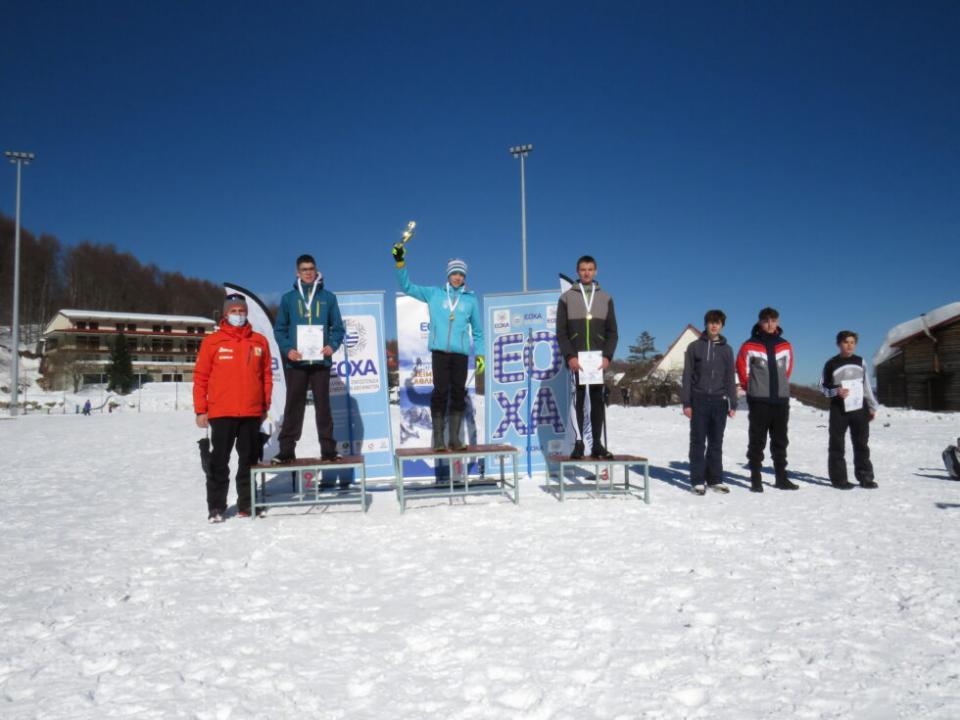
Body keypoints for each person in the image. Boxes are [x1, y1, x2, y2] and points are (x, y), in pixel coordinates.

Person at [392, 242, 484, 451]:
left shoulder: (470, 300)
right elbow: (407, 287)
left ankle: (454, 439)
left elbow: (478, 332)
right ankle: (440, 440)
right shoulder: (435, 294)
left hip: (460, 355)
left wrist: (481, 356)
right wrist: (400, 263)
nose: (458, 277)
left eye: (461, 274)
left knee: (459, 393)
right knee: (441, 392)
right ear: (448, 275)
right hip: (440, 353)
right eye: (455, 274)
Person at [193, 294, 273, 522]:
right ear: (225, 314)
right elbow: (201, 377)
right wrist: (201, 410)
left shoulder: (259, 341)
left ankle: (246, 505)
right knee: (219, 462)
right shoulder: (212, 342)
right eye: (234, 311)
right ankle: (216, 507)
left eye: (242, 310)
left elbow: (266, 376)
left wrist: (264, 405)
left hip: (251, 412)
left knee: (248, 461)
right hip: (221, 413)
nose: (238, 315)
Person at [272, 254, 345, 463]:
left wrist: (332, 345)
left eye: (311, 268)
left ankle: (328, 450)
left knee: (324, 406)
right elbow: (280, 330)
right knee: (294, 405)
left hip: (320, 361)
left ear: (317, 270)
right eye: (304, 269)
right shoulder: (288, 299)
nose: (308, 272)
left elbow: (338, 328)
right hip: (297, 361)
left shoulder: (328, 298)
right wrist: (288, 350)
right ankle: (286, 450)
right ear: (297, 272)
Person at [556, 255, 619, 459]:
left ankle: (597, 444)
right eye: (583, 269)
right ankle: (579, 443)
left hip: (597, 359)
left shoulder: (606, 297)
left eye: (590, 269)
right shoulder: (566, 298)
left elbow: (612, 332)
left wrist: (607, 356)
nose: (586, 273)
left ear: (596, 272)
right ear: (577, 272)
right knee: (578, 400)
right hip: (577, 360)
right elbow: (561, 332)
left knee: (597, 401)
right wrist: (570, 356)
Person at [736, 307, 797, 492]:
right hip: (759, 401)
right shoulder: (749, 345)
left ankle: (781, 477)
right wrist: (752, 388)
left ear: (778, 322)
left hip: (780, 401)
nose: (770, 325)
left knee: (780, 440)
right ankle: (756, 478)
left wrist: (780, 388)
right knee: (757, 440)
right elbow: (742, 370)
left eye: (773, 321)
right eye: (766, 321)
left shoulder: (785, 345)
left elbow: (787, 370)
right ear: (760, 322)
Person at [681, 309, 738, 495]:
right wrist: (686, 402)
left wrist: (732, 403)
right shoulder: (694, 347)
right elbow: (687, 376)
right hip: (699, 400)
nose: (714, 325)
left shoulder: (727, 350)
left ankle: (715, 479)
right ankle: (697, 480)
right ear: (706, 324)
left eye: (718, 323)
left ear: (722, 326)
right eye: (711, 322)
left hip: (719, 401)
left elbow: (730, 377)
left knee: (716, 442)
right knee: (698, 442)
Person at [819, 330, 878, 489]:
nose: (849, 345)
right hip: (839, 409)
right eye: (846, 342)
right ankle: (839, 479)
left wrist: (872, 406)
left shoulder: (860, 361)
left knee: (861, 444)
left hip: (859, 408)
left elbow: (866, 386)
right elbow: (823, 388)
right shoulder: (831, 363)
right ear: (839, 344)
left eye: (852, 342)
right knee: (837, 444)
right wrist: (836, 391)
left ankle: (865, 477)